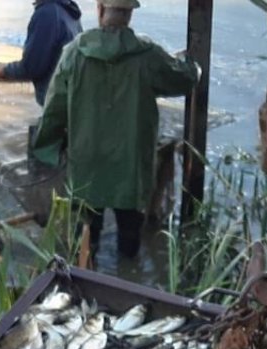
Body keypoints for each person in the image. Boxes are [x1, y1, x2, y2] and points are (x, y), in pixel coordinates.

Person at [30, 0, 197, 260]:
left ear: (99, 10)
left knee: (85, 245)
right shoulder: (148, 54)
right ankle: (127, 281)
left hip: (86, 165)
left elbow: (54, 110)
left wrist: (46, 149)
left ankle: (85, 282)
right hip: (131, 167)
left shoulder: (74, 53)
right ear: (130, 15)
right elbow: (184, 80)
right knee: (129, 243)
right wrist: (189, 64)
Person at [0, 0, 83, 107]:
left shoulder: (47, 13)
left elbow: (32, 67)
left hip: (56, 106)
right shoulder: (69, 11)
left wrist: (3, 70)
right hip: (71, 101)